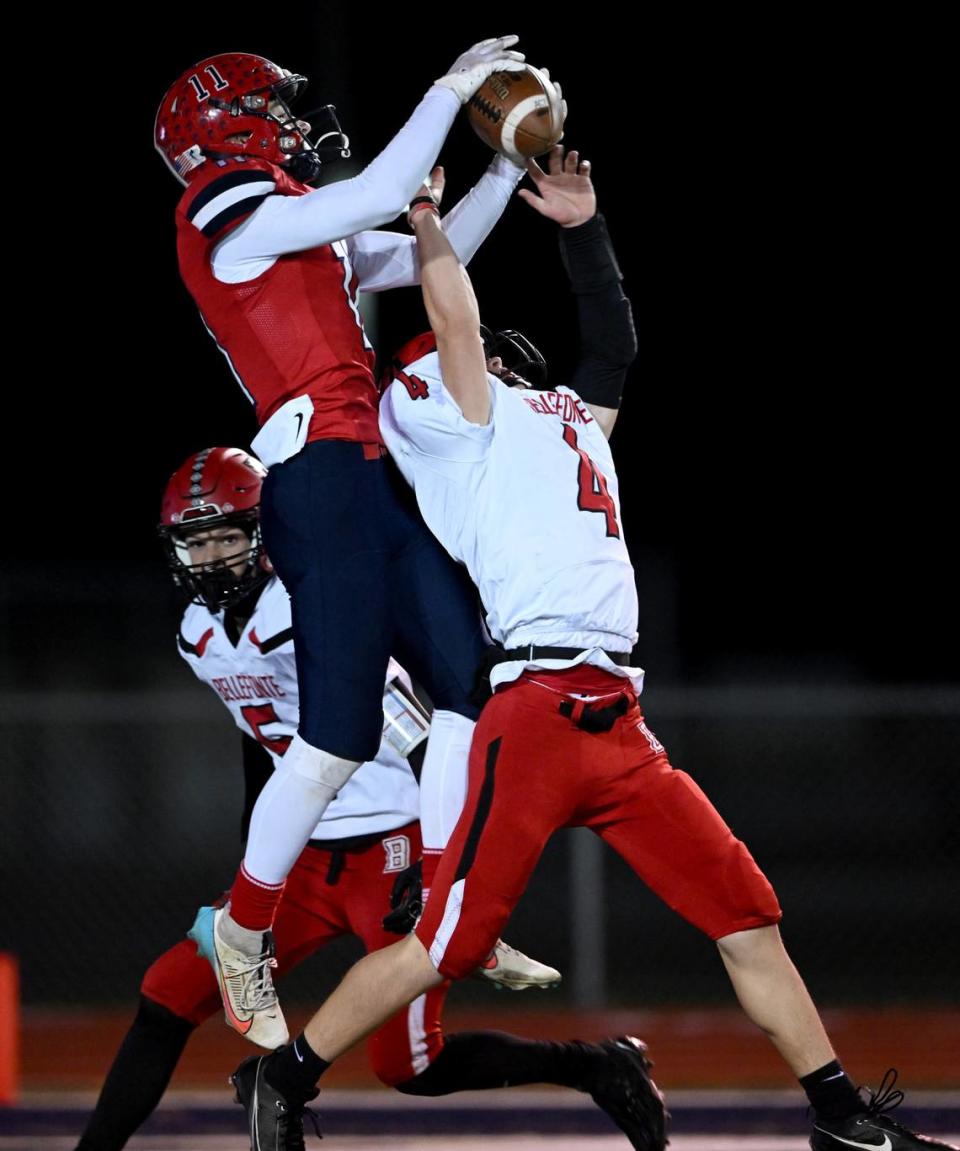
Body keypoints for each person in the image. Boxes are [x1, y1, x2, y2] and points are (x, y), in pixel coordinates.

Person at [229, 147, 957, 1151]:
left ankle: (839, 1116)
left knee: (745, 911)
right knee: (450, 941)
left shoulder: (555, 418)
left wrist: (584, 229)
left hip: (619, 720)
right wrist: (431, 217)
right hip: (529, 710)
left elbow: (609, 350)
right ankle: (287, 1075)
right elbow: (456, 323)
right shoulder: (464, 420)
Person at [153, 38, 565, 1044]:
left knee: (472, 678)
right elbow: (379, 182)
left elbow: (436, 249)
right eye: (271, 108)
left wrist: (506, 165)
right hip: (316, 484)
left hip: (370, 466)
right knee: (334, 736)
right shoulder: (226, 219)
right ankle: (244, 929)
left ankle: (442, 898)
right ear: (227, 125)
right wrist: (449, 86)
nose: (294, 124)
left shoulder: (292, 226)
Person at [75, 446, 650, 1151]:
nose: (214, 555)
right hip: (309, 861)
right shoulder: (196, 634)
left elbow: (416, 728)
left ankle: (595, 1065)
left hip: (394, 845)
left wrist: (437, 859)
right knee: (168, 993)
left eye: (229, 534)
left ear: (263, 532)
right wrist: (254, 870)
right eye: (198, 540)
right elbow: (263, 750)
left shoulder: (311, 603)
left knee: (408, 1063)